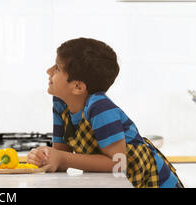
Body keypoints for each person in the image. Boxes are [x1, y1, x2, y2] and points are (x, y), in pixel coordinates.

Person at [27, 38, 184, 188]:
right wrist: (46, 158)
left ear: (77, 87)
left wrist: (60, 158)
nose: (49, 71)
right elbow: (61, 157)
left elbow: (117, 163)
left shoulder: (100, 107)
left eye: (57, 68)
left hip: (153, 183)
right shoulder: (60, 104)